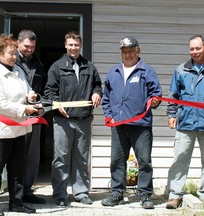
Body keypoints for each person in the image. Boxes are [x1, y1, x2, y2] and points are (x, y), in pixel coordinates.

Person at [101, 36, 162, 209]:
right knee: (117, 161)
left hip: (141, 126)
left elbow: (156, 93)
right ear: (121, 53)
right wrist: (109, 115)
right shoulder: (113, 72)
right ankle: (117, 194)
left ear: (138, 51)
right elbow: (106, 98)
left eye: (130, 51)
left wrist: (155, 101)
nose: (127, 55)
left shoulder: (146, 71)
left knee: (144, 161)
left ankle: (144, 195)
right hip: (118, 125)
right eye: (124, 52)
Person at [44, 31, 102, 206]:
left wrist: (96, 93)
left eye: (76, 45)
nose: (73, 48)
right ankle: (60, 194)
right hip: (63, 119)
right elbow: (49, 92)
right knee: (60, 156)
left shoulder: (89, 66)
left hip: (84, 119)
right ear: (65, 45)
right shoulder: (57, 66)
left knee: (82, 158)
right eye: (70, 44)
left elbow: (97, 85)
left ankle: (81, 192)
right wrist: (56, 104)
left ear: (80, 45)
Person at [0, 34, 39, 216]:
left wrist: (30, 96)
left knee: (17, 169)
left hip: (19, 129)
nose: (15, 57)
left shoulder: (18, 70)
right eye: (11, 53)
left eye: (15, 53)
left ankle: (16, 202)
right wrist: (25, 108)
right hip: (0, 131)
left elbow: (26, 89)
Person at [166, 35, 204, 209]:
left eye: (198, 48)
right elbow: (173, 95)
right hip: (186, 122)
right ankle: (175, 195)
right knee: (180, 159)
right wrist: (171, 115)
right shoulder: (181, 70)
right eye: (192, 49)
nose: (194, 52)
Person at [16, 29, 46, 204]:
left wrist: (41, 103)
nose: (29, 50)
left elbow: (41, 89)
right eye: (26, 46)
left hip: (34, 115)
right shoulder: (10, 61)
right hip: (15, 114)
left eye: (32, 47)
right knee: (15, 155)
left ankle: (27, 190)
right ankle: (15, 192)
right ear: (19, 43)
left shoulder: (38, 64)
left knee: (32, 156)